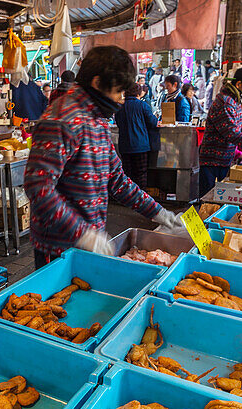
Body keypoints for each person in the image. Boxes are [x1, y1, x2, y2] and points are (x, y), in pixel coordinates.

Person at [24, 46, 184, 267]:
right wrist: (82, 233)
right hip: (59, 246)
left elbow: (117, 179)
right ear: (97, 84)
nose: (120, 100)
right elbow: (38, 187)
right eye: (118, 91)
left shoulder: (96, 118)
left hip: (89, 239)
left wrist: (158, 212)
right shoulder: (61, 119)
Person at [197, 67, 242, 197]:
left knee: (219, 197)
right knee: (207, 198)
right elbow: (232, 133)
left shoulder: (234, 100)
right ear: (239, 84)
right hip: (213, 159)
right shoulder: (225, 102)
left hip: (224, 158)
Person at [114, 84, 157, 189]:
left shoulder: (119, 107)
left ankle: (128, 196)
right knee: (140, 173)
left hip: (125, 146)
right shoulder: (142, 105)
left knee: (128, 174)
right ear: (138, 93)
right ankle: (140, 200)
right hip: (140, 146)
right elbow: (153, 122)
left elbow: (118, 123)